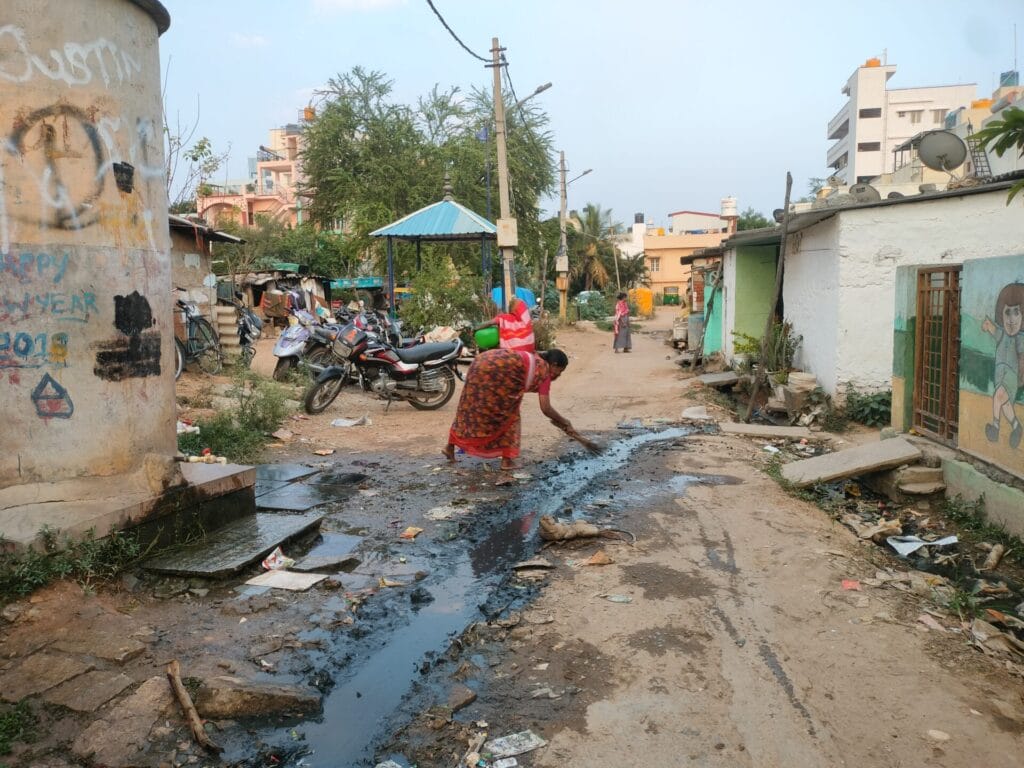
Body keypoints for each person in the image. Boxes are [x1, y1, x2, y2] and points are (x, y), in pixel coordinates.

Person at [443, 348, 573, 471]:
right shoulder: (544, 372)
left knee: (468, 409)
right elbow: (546, 408)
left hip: (479, 362)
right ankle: (507, 461)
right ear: (554, 364)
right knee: (510, 416)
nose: (558, 376)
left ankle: (449, 448)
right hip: (495, 371)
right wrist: (565, 422)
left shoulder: (534, 356)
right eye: (559, 371)